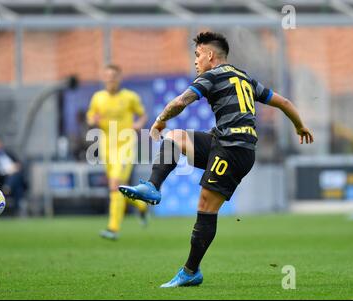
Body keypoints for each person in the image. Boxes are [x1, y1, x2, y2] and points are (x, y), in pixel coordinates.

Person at [119, 32, 314, 287]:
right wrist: (299, 126)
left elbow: (181, 102)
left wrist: (159, 120)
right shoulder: (245, 77)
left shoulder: (211, 76)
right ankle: (153, 187)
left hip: (234, 149)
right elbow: (284, 102)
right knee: (176, 138)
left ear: (210, 55)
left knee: (205, 205)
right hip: (223, 141)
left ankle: (190, 271)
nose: (196, 62)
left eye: (198, 55)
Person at [86, 64, 149, 240]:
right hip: (107, 147)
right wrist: (93, 121)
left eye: (114, 76)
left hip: (126, 145)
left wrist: (138, 124)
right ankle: (141, 205)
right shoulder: (98, 98)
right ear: (103, 78)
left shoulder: (129, 97)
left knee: (115, 184)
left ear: (119, 78)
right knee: (117, 189)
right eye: (108, 76)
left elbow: (142, 114)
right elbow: (91, 117)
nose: (111, 79)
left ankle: (113, 229)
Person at [0, 137, 27, 216]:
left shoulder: (8, 153)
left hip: (13, 175)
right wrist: (6, 171)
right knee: (17, 184)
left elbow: (19, 164)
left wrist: (15, 168)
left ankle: (7, 187)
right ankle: (19, 206)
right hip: (0, 179)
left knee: (16, 177)